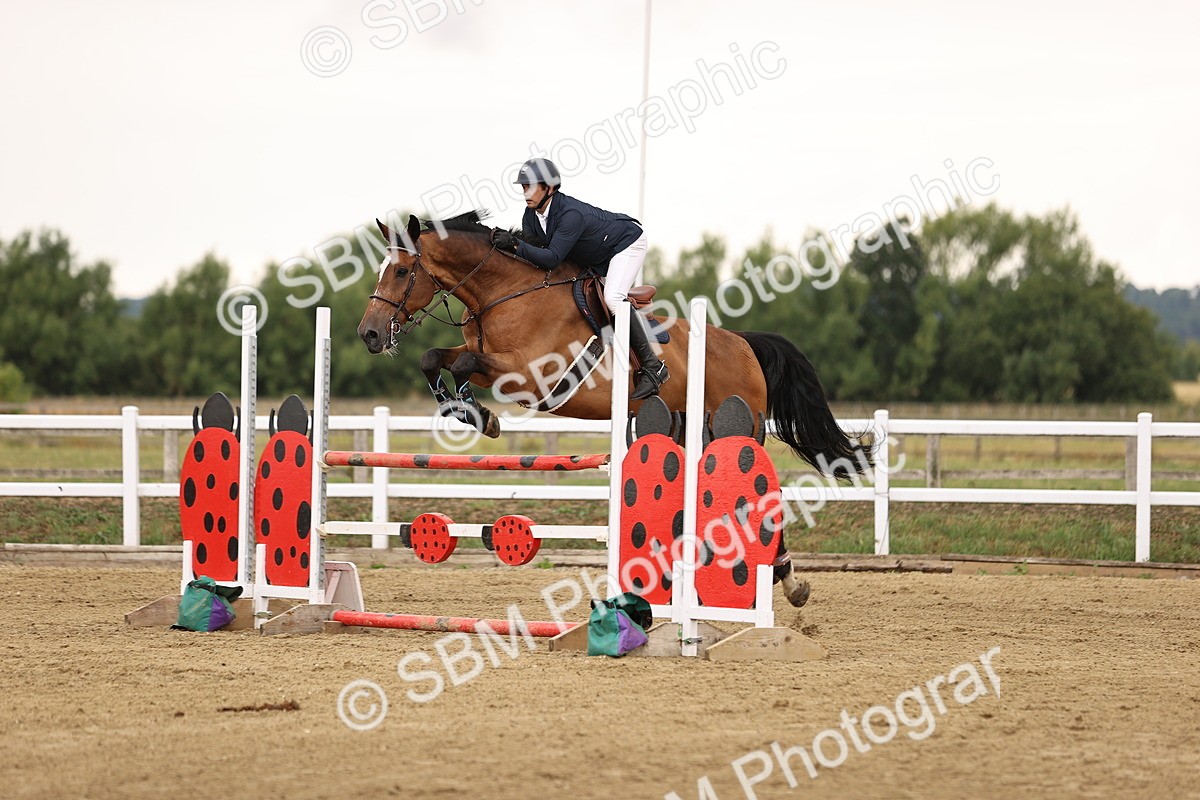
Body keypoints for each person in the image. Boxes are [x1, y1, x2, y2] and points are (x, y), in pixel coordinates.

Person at [490, 158, 669, 400]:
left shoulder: (569, 215)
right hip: (594, 255)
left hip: (625, 244)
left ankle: (653, 366)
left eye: (531, 187)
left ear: (550, 188)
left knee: (613, 298)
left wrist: (515, 245)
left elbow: (551, 257)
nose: (526, 193)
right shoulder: (530, 216)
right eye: (523, 187)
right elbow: (534, 255)